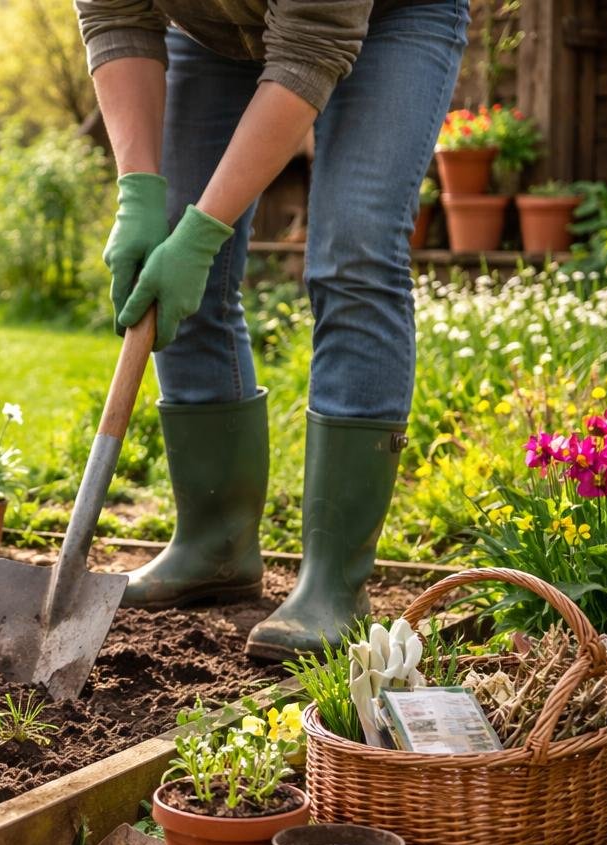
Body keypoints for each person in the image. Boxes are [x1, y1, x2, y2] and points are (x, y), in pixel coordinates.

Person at [76, 0, 470, 659]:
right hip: (216, 32)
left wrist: (202, 236)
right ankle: (214, 544)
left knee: (355, 253)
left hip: (395, 16)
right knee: (170, 242)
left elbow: (313, 42)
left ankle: (333, 584)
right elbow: (117, 19)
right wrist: (140, 195)